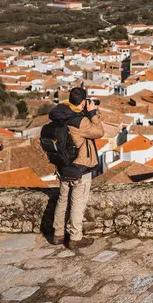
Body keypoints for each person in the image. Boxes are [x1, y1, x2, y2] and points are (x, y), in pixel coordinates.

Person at [48, 87, 105, 249]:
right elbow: (99, 132)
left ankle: (58, 234)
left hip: (63, 164)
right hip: (79, 166)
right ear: (82, 102)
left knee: (63, 199)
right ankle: (75, 237)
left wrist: (83, 111)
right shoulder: (80, 121)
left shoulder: (60, 114)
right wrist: (93, 113)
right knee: (77, 202)